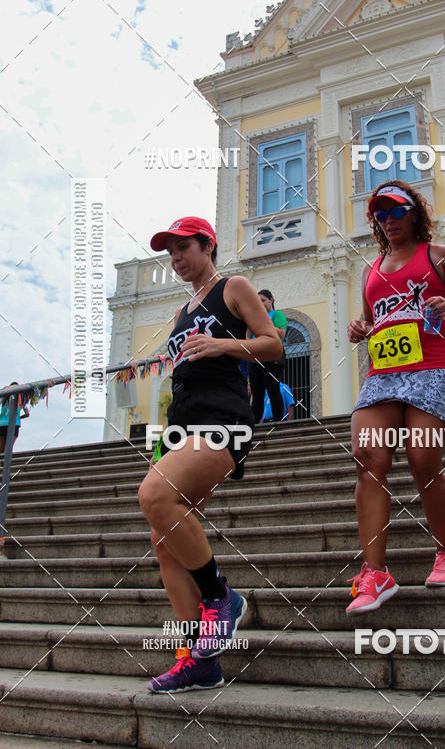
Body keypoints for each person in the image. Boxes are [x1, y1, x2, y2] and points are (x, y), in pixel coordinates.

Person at [138, 216, 282, 691]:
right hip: (182, 421)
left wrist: (220, 343)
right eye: (170, 252)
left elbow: (274, 345)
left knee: (154, 496)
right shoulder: (184, 310)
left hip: (222, 419)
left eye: (184, 248)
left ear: (208, 246)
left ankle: (222, 597)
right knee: (164, 542)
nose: (176, 258)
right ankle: (199, 660)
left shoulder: (233, 287)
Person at [346, 181, 445, 615]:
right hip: (384, 374)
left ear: (414, 213)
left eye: (396, 212)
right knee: (368, 459)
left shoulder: (438, 256)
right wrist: (360, 330)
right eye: (380, 216)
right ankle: (376, 572)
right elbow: (373, 322)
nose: (388, 221)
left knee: (424, 460)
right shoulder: (372, 270)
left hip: (435, 366)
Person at [247, 289, 287, 423]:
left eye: (263, 300)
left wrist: (264, 324)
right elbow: (248, 336)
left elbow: (281, 333)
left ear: (271, 300)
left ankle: (278, 421)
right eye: (258, 302)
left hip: (271, 355)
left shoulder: (277, 314)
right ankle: (254, 424)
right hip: (255, 356)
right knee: (257, 393)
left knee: (273, 389)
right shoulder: (253, 318)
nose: (261, 304)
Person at [0, 383, 29, 455]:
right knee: (8, 448)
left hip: (2, 423)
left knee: (1, 449)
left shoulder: (4, 398)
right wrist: (18, 417)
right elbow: (27, 414)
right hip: (14, 423)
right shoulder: (21, 401)